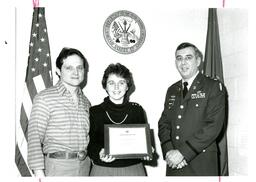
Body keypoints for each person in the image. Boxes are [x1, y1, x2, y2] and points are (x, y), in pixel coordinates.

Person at [158, 42, 226, 176]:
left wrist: (183, 153)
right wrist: (168, 150)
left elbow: (213, 126)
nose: (183, 63)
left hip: (201, 162)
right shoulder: (172, 90)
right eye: (179, 58)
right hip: (174, 163)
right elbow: (163, 123)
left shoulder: (212, 86)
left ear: (198, 61)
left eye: (188, 57)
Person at [28, 47, 91, 176]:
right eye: (69, 68)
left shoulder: (86, 102)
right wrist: (39, 174)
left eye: (79, 67)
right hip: (57, 167)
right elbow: (34, 139)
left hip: (85, 166)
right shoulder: (44, 98)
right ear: (58, 71)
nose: (76, 72)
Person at [87, 63, 151, 176]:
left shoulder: (137, 110)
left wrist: (148, 149)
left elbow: (144, 141)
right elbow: (90, 144)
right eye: (111, 83)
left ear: (127, 86)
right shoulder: (94, 112)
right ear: (105, 86)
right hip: (103, 170)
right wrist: (99, 152)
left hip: (134, 170)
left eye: (121, 83)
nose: (116, 87)